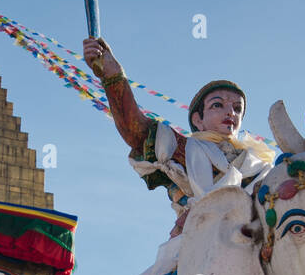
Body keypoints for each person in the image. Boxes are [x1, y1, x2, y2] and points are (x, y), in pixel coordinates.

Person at [82, 37, 272, 238]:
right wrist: (113, 76)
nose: (231, 113)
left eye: (237, 109)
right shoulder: (184, 149)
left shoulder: (258, 165)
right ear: (198, 120)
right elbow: (136, 131)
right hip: (198, 241)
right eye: (218, 105)